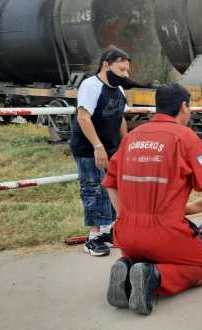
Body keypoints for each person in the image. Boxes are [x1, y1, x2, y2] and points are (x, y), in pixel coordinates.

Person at [102, 84, 202, 315]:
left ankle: (127, 268)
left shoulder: (132, 137)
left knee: (142, 255)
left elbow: (110, 182)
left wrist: (123, 216)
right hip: (165, 234)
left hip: (126, 234)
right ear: (184, 107)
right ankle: (153, 276)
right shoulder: (185, 137)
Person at [70, 47, 131, 257]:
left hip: (112, 147)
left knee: (112, 187)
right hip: (89, 148)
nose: (125, 75)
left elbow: (120, 118)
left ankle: (108, 230)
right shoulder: (90, 86)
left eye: (126, 71)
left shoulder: (119, 89)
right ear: (106, 64)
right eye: (121, 69)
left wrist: (125, 146)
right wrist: (98, 146)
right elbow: (83, 118)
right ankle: (93, 237)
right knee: (93, 188)